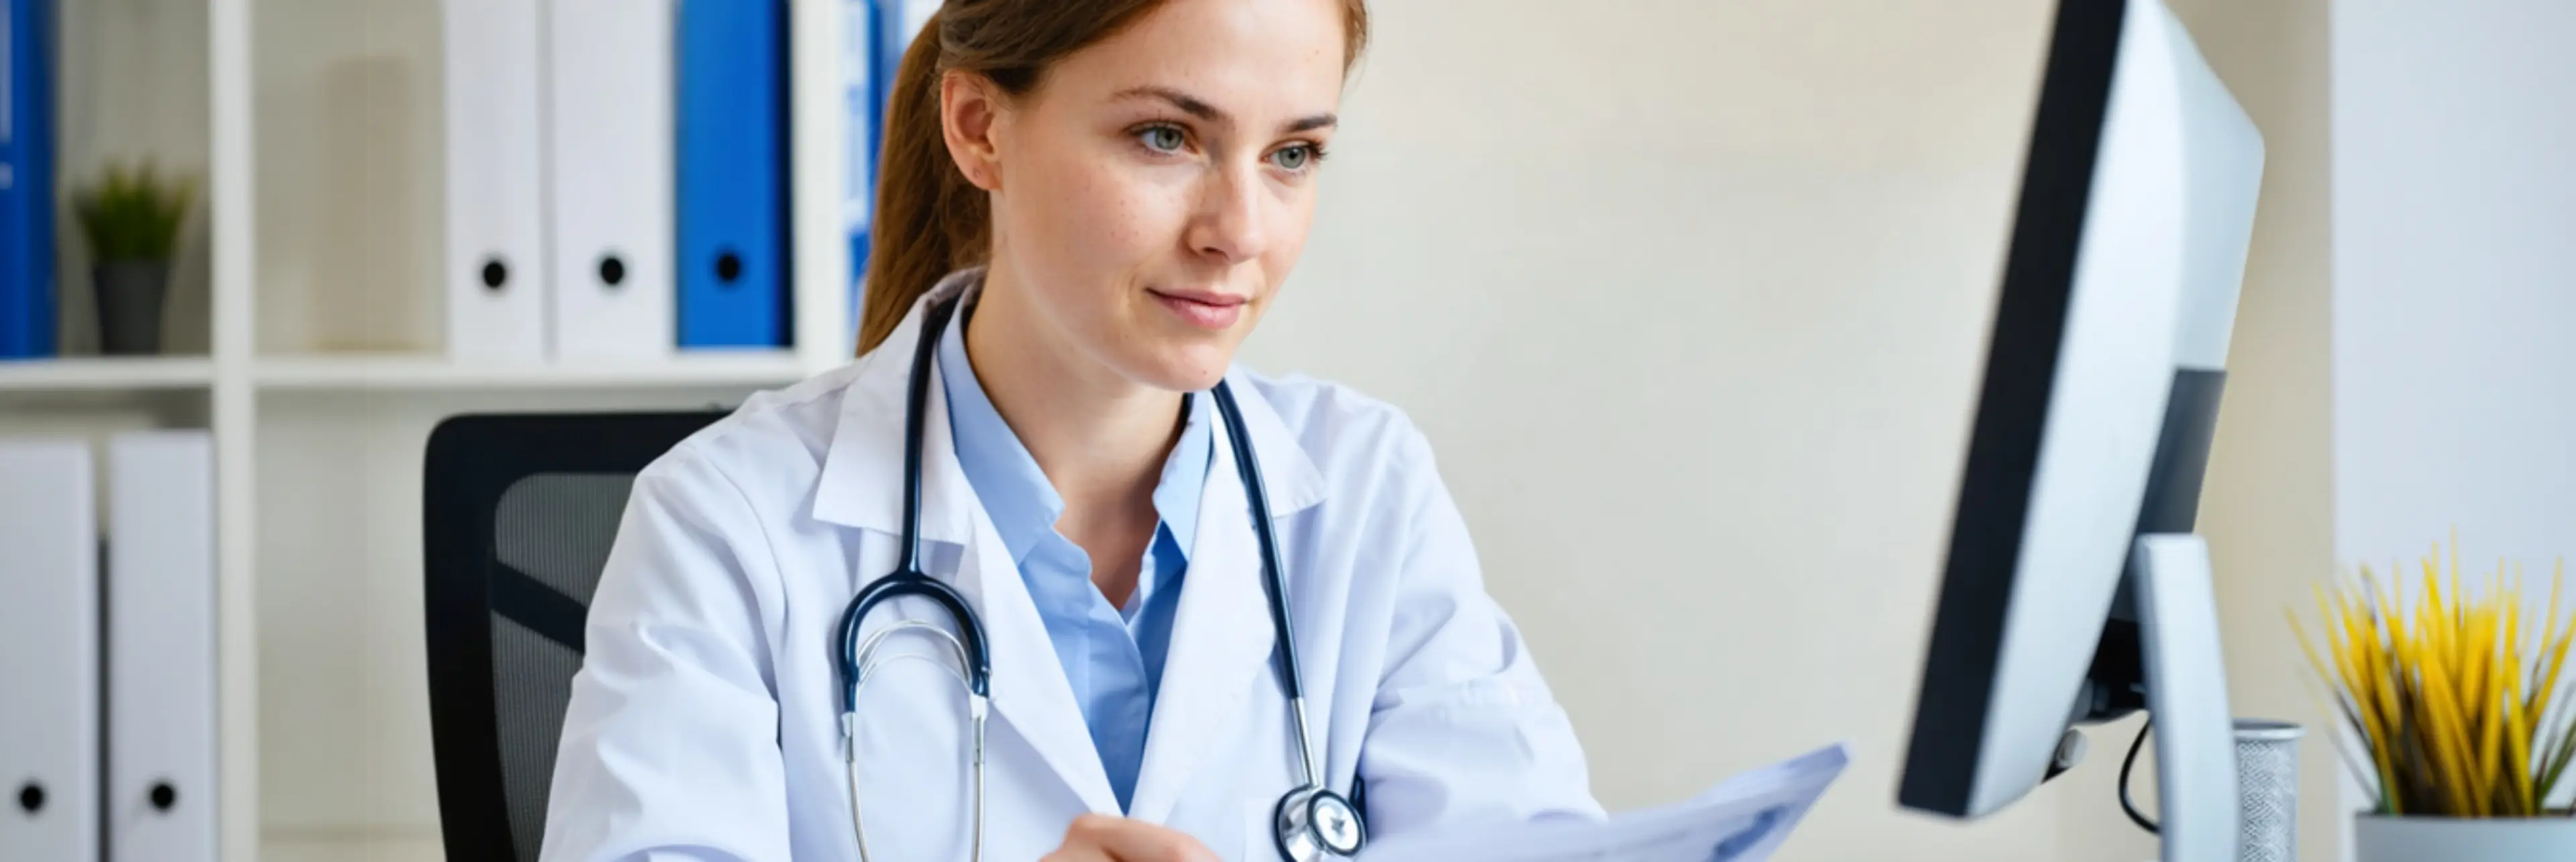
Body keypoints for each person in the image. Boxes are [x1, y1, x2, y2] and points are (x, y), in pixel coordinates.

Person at [538, 1, 1603, 859]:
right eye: (1166, 137)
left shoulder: (1365, 485)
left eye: (1291, 155)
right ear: (979, 129)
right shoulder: (728, 521)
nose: (1239, 233)